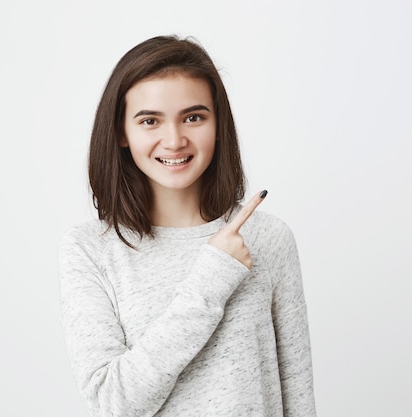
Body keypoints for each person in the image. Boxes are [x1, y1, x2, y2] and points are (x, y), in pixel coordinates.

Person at [58, 35, 316, 417]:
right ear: (121, 133)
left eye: (193, 117)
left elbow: (297, 393)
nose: (175, 140)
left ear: (218, 124)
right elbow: (114, 403)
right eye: (150, 121)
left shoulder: (267, 237)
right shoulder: (90, 248)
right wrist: (212, 277)